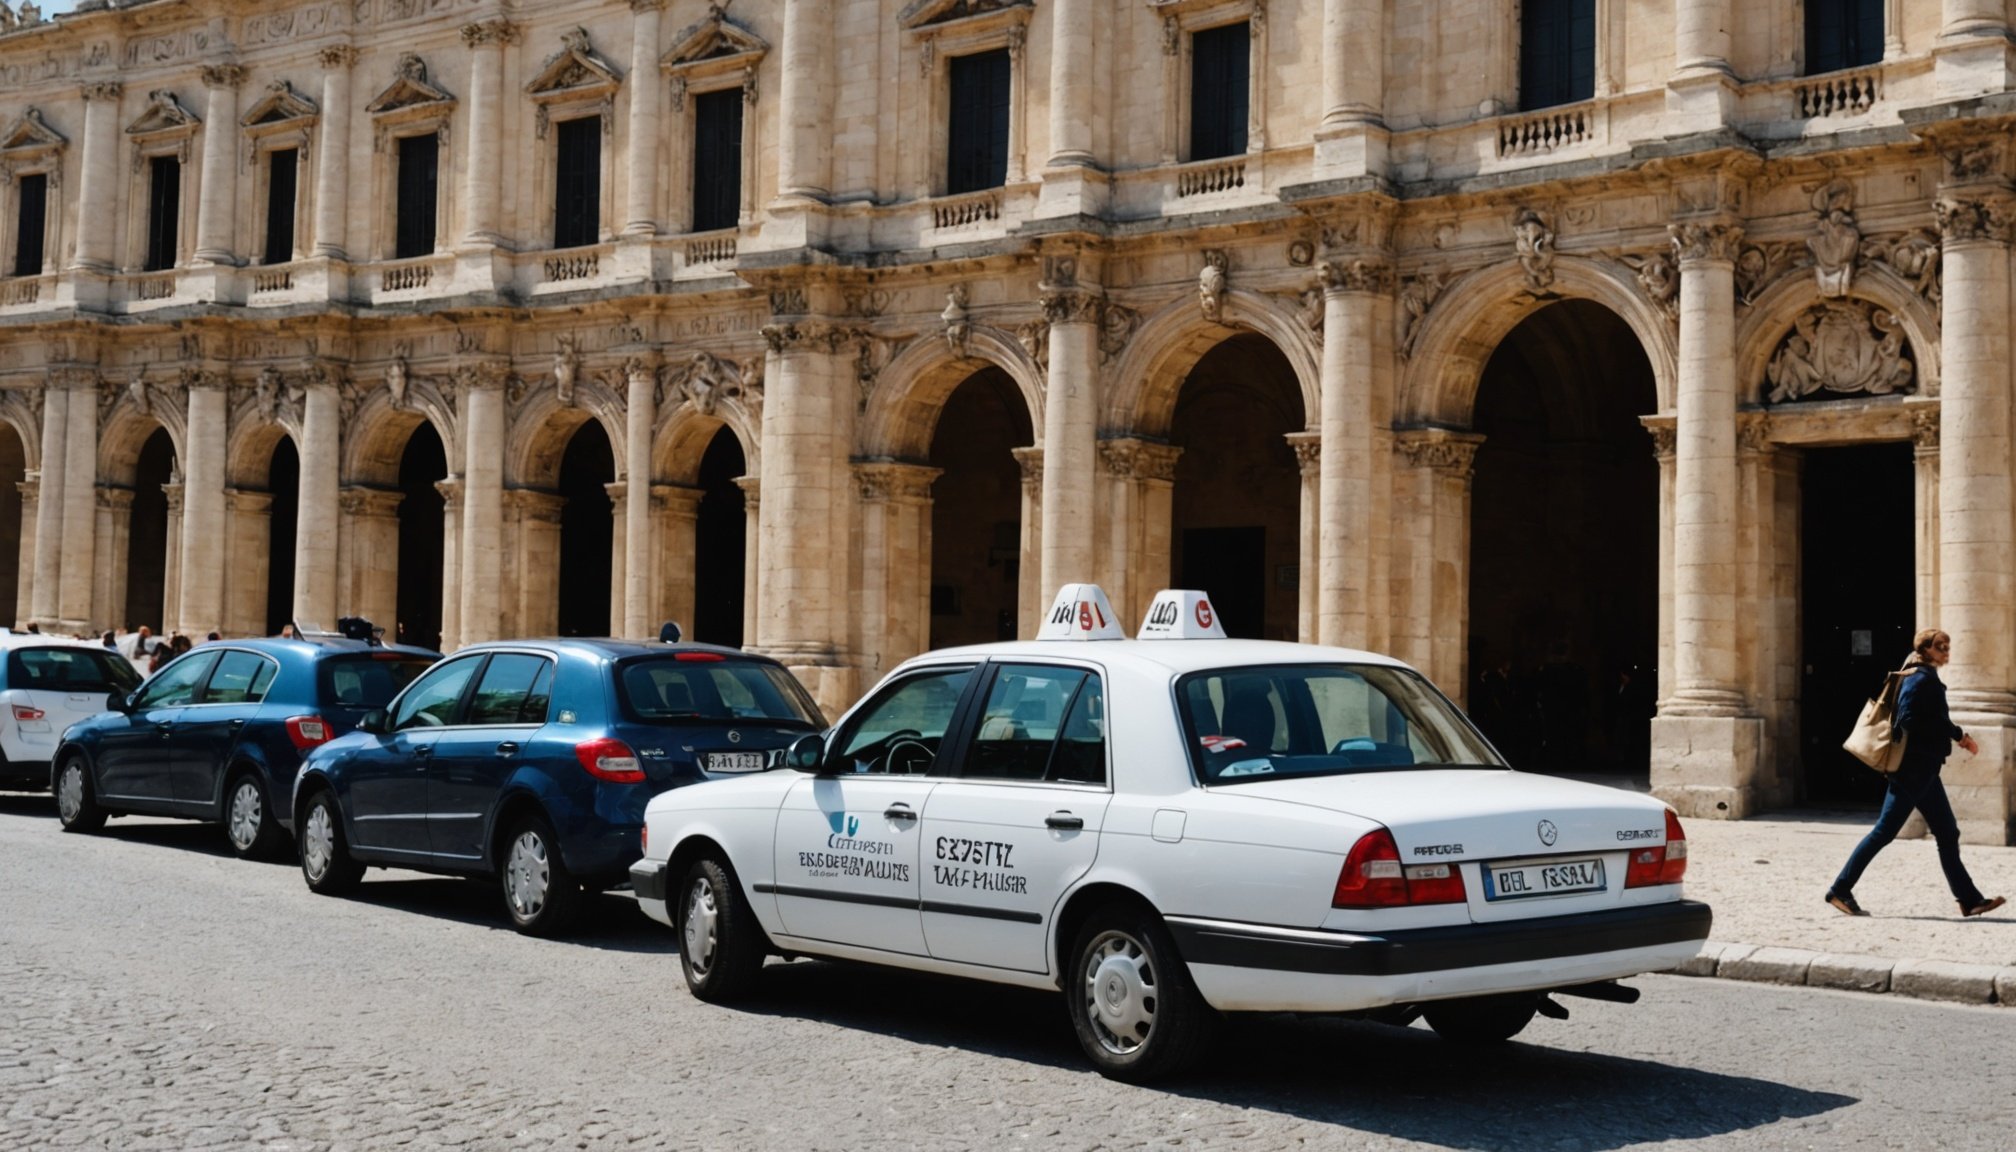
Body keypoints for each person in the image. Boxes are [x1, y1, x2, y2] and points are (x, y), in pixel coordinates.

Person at [1826, 629, 2006, 919]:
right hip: (1914, 771)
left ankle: (1970, 900)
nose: (1946, 651)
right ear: (1926, 650)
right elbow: (1907, 719)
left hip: (1924, 771)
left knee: (1947, 832)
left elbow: (1934, 717)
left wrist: (1958, 734)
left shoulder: (1921, 676)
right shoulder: (1920, 679)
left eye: (1948, 646)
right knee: (1884, 832)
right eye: (1940, 647)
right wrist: (1947, 735)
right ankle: (1840, 889)